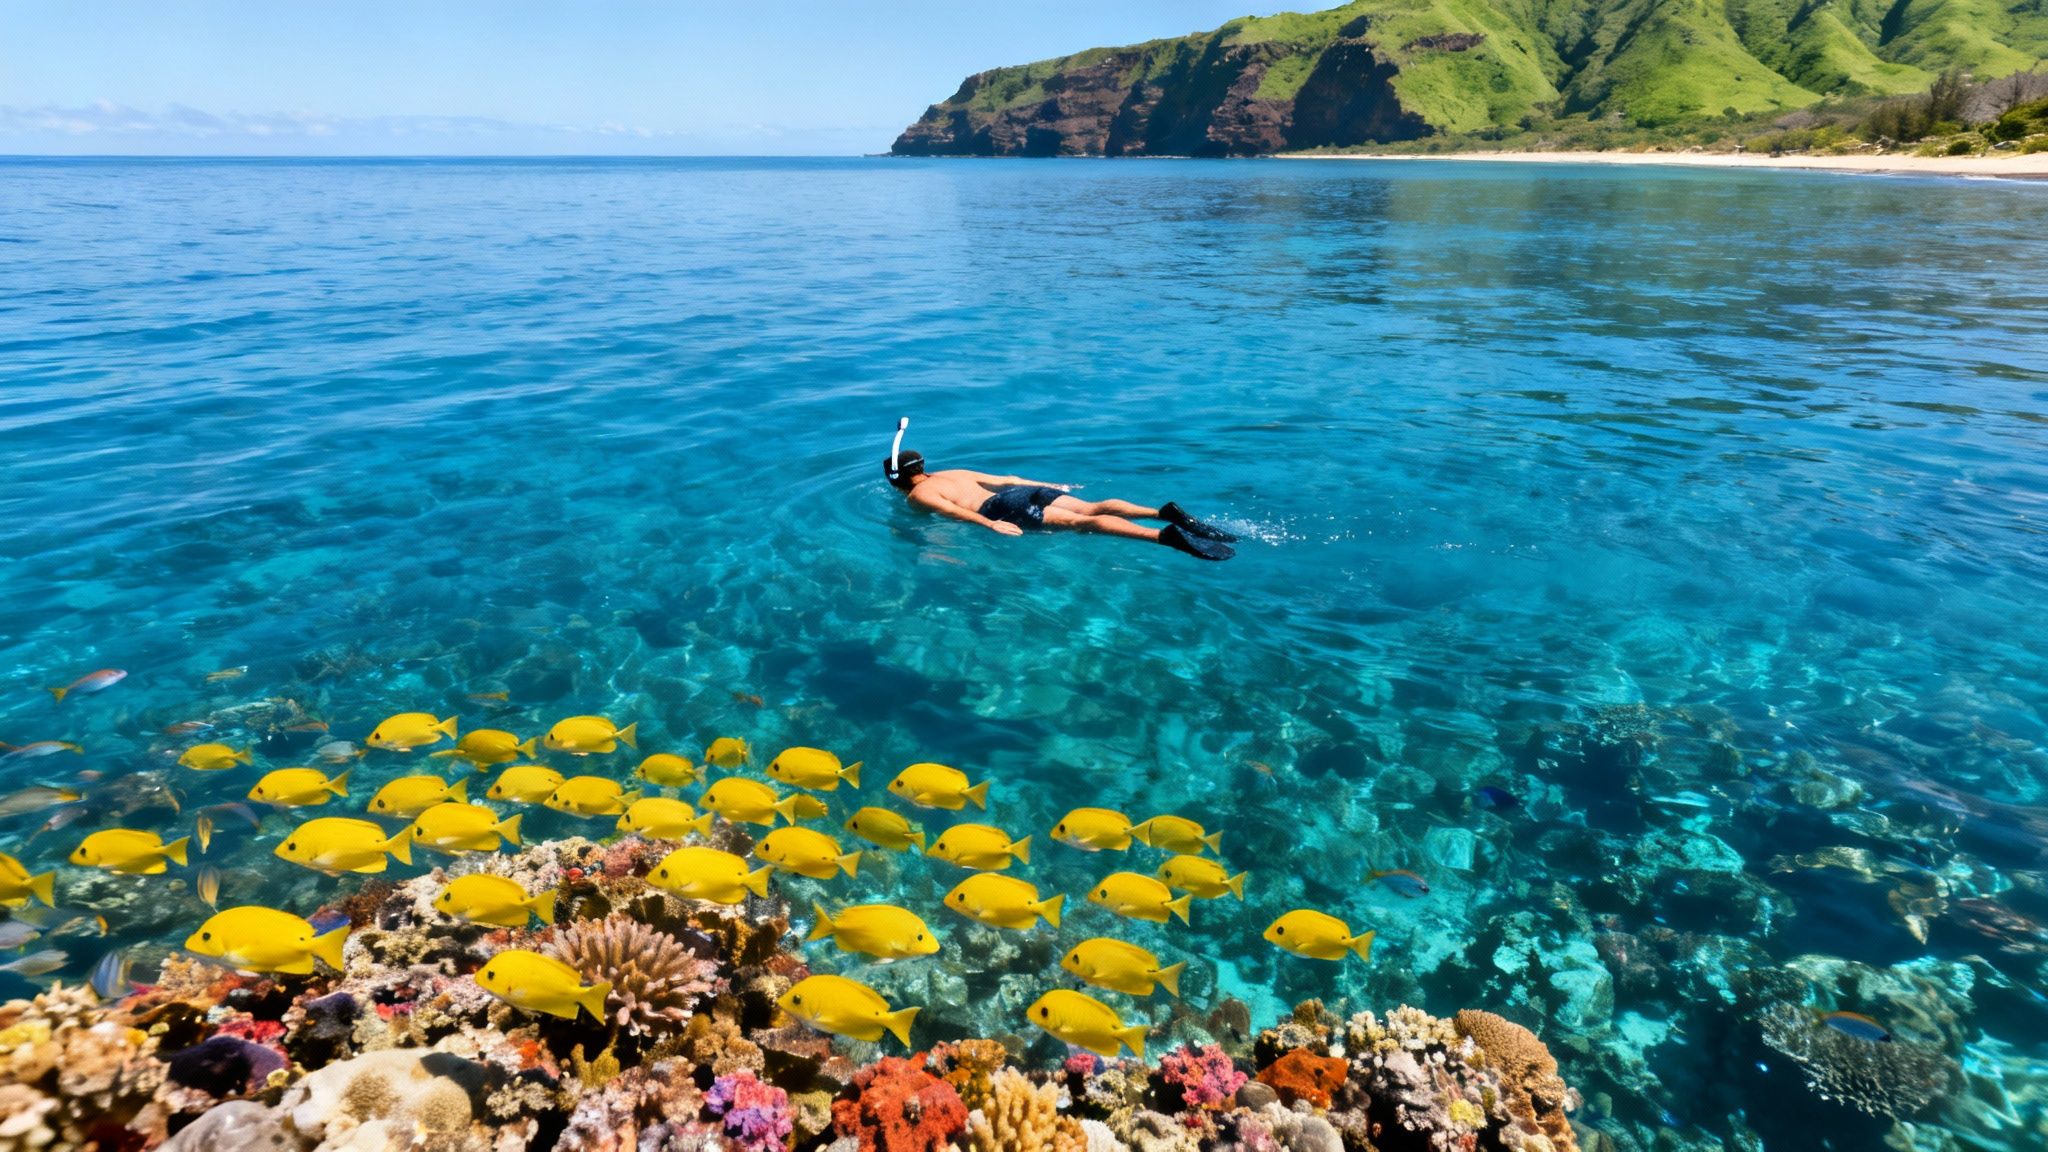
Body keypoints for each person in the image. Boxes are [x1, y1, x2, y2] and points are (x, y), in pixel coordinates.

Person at [882, 438, 1236, 561]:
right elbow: (1010, 480)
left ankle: (1162, 536)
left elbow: (952, 511)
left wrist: (991, 525)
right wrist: (1052, 485)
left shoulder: (919, 495)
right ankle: (1161, 512)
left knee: (1083, 524)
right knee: (1092, 507)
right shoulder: (953, 472)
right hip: (1021, 493)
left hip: (1003, 508)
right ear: (922, 465)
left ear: (896, 479)